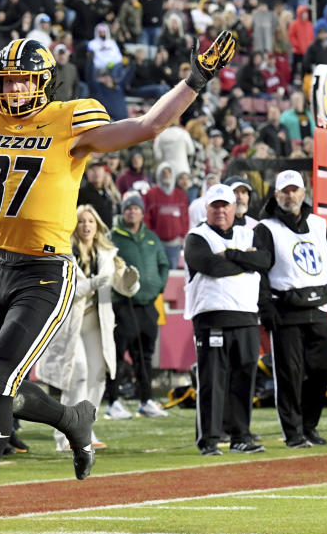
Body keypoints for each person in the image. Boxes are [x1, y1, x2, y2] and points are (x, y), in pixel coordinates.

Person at [0, 0, 234, 534]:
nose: (13, 90)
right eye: (7, 81)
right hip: (3, 269)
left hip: (47, 272)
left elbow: (147, 124)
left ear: (42, 83)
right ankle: (71, 419)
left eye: (22, 82)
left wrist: (195, 80)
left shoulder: (69, 119)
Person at [254, 170, 327, 448]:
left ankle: (309, 426)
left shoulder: (318, 224)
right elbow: (260, 273)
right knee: (289, 374)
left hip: (320, 308)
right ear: (276, 195)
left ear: (303, 192)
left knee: (322, 370)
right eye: (284, 191)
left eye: (294, 190)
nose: (290, 195)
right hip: (286, 309)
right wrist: (266, 309)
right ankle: (293, 433)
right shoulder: (266, 228)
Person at [37, 204, 139, 450]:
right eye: (81, 221)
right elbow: (64, 292)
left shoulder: (107, 253)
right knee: (77, 373)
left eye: (90, 222)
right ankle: (66, 435)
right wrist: (93, 283)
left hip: (96, 321)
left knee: (97, 374)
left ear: (98, 226)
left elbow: (121, 286)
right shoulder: (63, 253)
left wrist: (130, 281)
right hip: (69, 322)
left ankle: (86, 430)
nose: (86, 226)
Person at [184, 184, 270, 456]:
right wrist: (247, 261)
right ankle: (208, 439)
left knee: (245, 379)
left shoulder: (249, 232)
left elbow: (265, 260)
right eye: (215, 206)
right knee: (212, 379)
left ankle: (241, 436)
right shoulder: (197, 237)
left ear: (235, 208)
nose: (220, 211)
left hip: (247, 317)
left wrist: (232, 255)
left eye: (225, 205)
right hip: (212, 318)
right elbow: (212, 267)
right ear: (206, 209)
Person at [110, 192, 171, 419]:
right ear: (122, 211)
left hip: (148, 305)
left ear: (142, 212)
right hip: (123, 305)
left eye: (135, 208)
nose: (132, 211)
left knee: (145, 356)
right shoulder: (112, 237)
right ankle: (114, 401)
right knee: (117, 355)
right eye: (128, 208)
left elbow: (164, 265)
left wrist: (159, 286)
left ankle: (146, 400)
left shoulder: (151, 237)